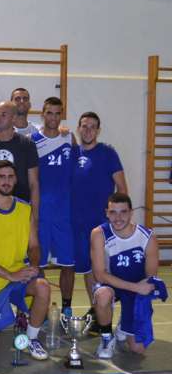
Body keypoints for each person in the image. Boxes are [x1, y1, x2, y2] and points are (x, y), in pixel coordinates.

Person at [0, 160, 50, 360]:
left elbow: (34, 246)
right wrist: (9, 275)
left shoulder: (25, 209)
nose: (6, 181)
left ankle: (31, 338)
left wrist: (33, 265)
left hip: (16, 277)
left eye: (10, 177)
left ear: (15, 179)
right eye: (2, 177)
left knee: (43, 287)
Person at [71, 111, 128, 329]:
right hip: (78, 224)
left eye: (92, 127)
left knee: (104, 271)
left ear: (98, 130)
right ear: (78, 128)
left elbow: (122, 188)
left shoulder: (107, 153)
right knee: (88, 270)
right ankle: (96, 310)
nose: (88, 130)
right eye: (84, 126)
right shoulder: (72, 153)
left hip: (102, 225)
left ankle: (107, 318)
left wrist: (119, 219)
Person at [91, 193, 160, 358]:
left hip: (136, 290)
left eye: (123, 212)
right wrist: (135, 287)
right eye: (113, 212)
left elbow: (150, 277)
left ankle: (124, 325)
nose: (118, 217)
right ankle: (107, 338)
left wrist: (140, 289)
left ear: (131, 213)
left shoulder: (147, 237)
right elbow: (100, 275)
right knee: (102, 295)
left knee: (138, 349)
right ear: (106, 213)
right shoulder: (99, 234)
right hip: (111, 284)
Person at [31, 97, 76, 317]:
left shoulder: (69, 138)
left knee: (68, 264)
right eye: (49, 113)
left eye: (58, 113)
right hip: (41, 212)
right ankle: (37, 309)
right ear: (43, 114)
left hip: (64, 212)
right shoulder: (33, 141)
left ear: (61, 115)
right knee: (37, 264)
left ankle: (66, 309)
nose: (53, 117)